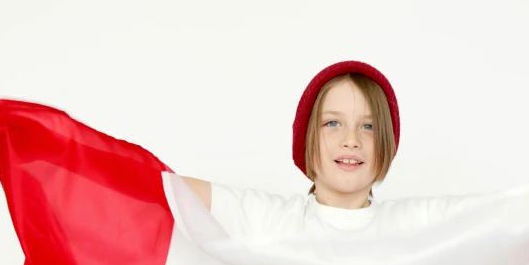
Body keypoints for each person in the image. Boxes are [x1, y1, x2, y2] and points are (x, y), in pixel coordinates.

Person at [181, 60, 478, 238]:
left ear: (387, 146)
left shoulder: (413, 225)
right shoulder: (272, 220)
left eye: (368, 127)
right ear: (306, 140)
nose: (351, 140)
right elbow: (167, 191)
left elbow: (499, 217)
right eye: (333, 123)